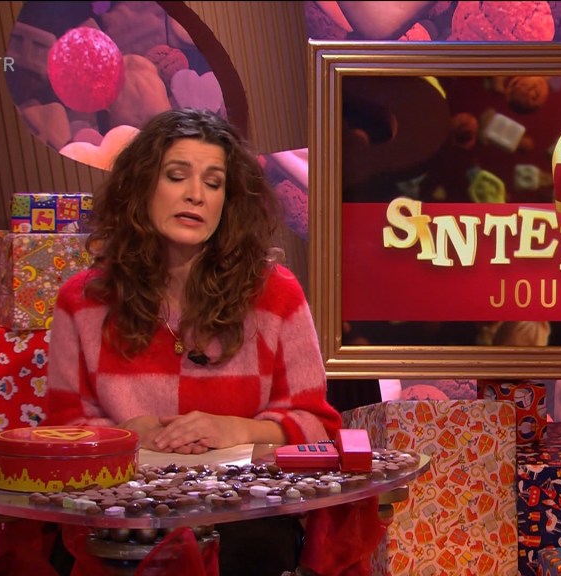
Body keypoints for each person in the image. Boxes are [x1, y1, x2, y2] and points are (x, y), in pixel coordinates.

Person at [45, 108, 345, 575]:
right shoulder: (82, 302)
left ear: (229, 200)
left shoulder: (277, 295)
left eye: (213, 182)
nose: (195, 195)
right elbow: (61, 433)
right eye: (176, 176)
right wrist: (127, 436)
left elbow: (317, 428)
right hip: (118, 517)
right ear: (142, 187)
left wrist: (236, 430)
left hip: (245, 517)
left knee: (253, 548)